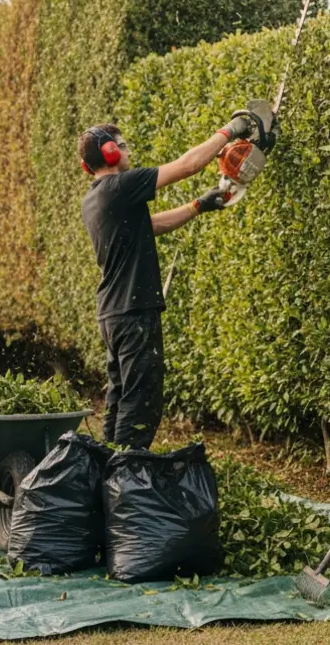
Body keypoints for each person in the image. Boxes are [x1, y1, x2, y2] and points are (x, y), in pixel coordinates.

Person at [78, 111, 258, 449]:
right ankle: (129, 476)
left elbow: (152, 225)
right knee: (141, 400)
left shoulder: (97, 196)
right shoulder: (120, 185)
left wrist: (197, 206)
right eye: (123, 146)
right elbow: (188, 165)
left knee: (120, 398)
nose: (128, 151)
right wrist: (230, 131)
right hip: (133, 311)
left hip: (113, 313)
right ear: (110, 154)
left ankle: (109, 470)